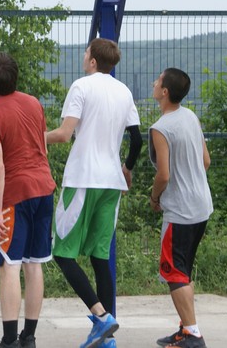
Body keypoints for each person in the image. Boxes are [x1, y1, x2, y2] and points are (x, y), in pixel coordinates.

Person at [45, 37, 143, 348]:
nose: (83, 55)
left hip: (83, 178)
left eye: (85, 51)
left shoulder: (82, 86)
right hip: (112, 182)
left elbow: (63, 135)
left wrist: (29, 136)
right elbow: (137, 140)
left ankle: (101, 317)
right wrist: (126, 168)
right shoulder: (123, 91)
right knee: (101, 256)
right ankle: (105, 337)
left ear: (91, 61)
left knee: (62, 252)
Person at [0, 51, 57, 348]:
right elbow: (42, 145)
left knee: (9, 266)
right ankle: (29, 337)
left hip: (15, 194)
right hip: (43, 189)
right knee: (34, 264)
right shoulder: (34, 103)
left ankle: (9, 340)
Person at [148, 68, 214, 348]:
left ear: (164, 92)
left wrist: (154, 198)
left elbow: (163, 175)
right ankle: (186, 330)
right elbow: (206, 161)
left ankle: (193, 334)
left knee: (174, 273)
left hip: (180, 211)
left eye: (158, 80)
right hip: (201, 205)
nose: (154, 82)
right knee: (183, 271)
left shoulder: (161, 128)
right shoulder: (190, 116)